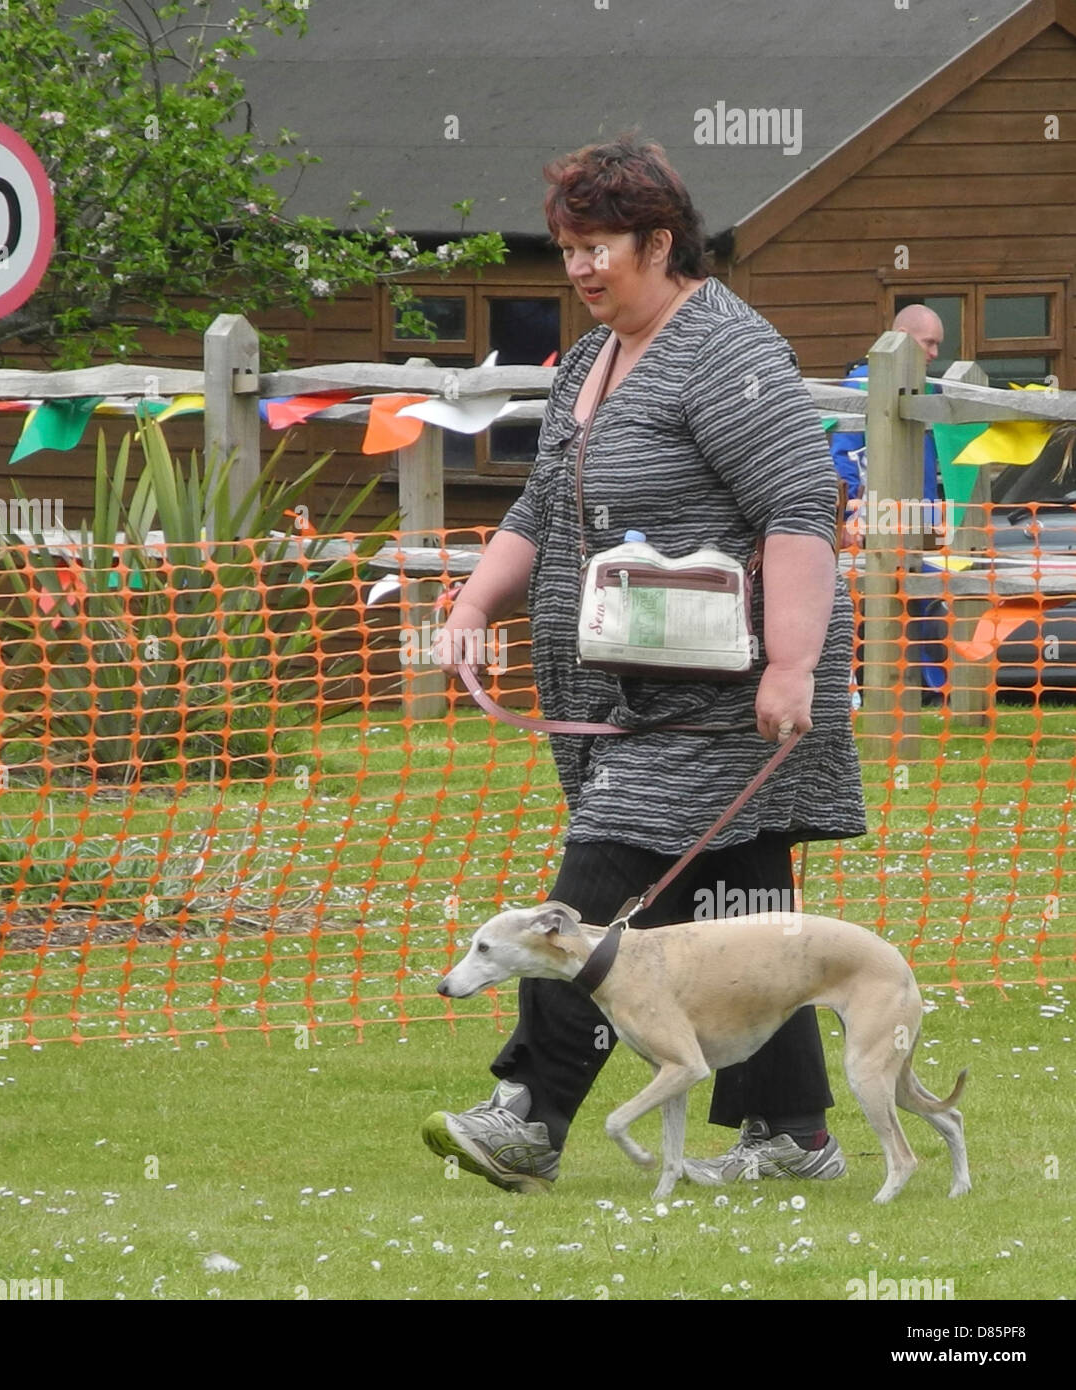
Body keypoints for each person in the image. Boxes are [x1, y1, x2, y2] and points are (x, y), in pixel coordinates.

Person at [423, 134, 867, 1194]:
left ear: (660, 240)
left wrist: (792, 663)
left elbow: (799, 508)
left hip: (727, 687)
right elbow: (537, 507)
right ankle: (791, 1132)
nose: (578, 268)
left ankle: (527, 1111)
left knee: (597, 880)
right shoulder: (588, 356)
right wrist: (475, 601)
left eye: (599, 245)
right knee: (732, 903)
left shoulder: (726, 351)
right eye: (567, 247)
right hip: (625, 684)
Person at [831, 304, 944, 510]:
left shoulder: (929, 388)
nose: (935, 353)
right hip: (875, 518)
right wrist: (852, 516)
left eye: (937, 344)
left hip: (925, 511)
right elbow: (846, 453)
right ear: (902, 336)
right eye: (929, 343)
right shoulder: (861, 382)